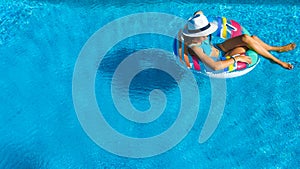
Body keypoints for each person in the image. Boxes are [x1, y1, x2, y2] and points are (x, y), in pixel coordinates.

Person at [178, 11, 296, 71]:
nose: (206, 36)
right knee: (251, 44)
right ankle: (276, 60)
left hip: (220, 47)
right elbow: (214, 66)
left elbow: (199, 12)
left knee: (248, 38)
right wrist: (237, 59)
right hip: (223, 57)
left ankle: (274, 49)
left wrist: (198, 19)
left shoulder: (192, 27)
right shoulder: (195, 47)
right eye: (202, 35)